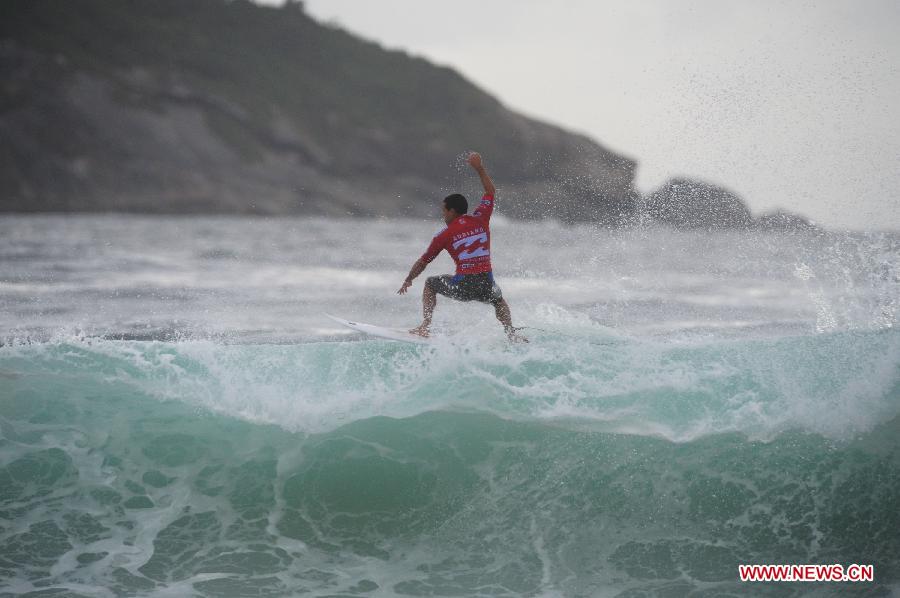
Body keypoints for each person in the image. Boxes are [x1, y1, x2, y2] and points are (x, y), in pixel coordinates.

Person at [397, 152, 527, 342]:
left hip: (463, 286)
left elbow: (423, 262)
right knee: (498, 300)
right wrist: (479, 168)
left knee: (430, 283)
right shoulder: (481, 218)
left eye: (444, 210)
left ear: (452, 211)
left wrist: (409, 279)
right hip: (486, 283)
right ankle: (511, 334)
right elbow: (490, 191)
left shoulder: (444, 234)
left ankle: (425, 326)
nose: (443, 215)